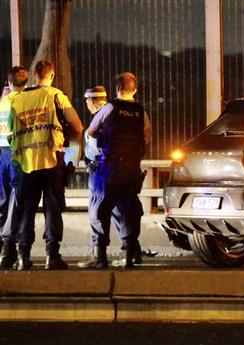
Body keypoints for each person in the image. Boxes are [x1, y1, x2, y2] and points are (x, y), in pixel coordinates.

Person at [0, 59, 83, 270]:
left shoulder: (19, 99)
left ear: (34, 76)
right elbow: (78, 126)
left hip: (26, 163)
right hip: (51, 159)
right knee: (52, 208)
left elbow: (10, 134)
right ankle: (51, 255)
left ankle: (23, 257)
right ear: (52, 76)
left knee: (27, 209)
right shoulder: (55, 95)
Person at [82, 72, 151, 268]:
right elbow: (147, 139)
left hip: (109, 167)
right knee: (128, 209)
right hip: (131, 169)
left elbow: (91, 131)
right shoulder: (141, 111)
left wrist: (99, 150)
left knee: (100, 208)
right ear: (135, 89)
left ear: (117, 89)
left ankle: (99, 255)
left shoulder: (110, 107)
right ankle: (131, 253)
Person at [0, 67, 29, 263]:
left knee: (2, 199)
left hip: (1, 153)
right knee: (15, 201)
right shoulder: (25, 102)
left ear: (9, 83)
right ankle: (8, 245)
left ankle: (3, 246)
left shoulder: (3, 102)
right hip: (17, 154)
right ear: (26, 84)